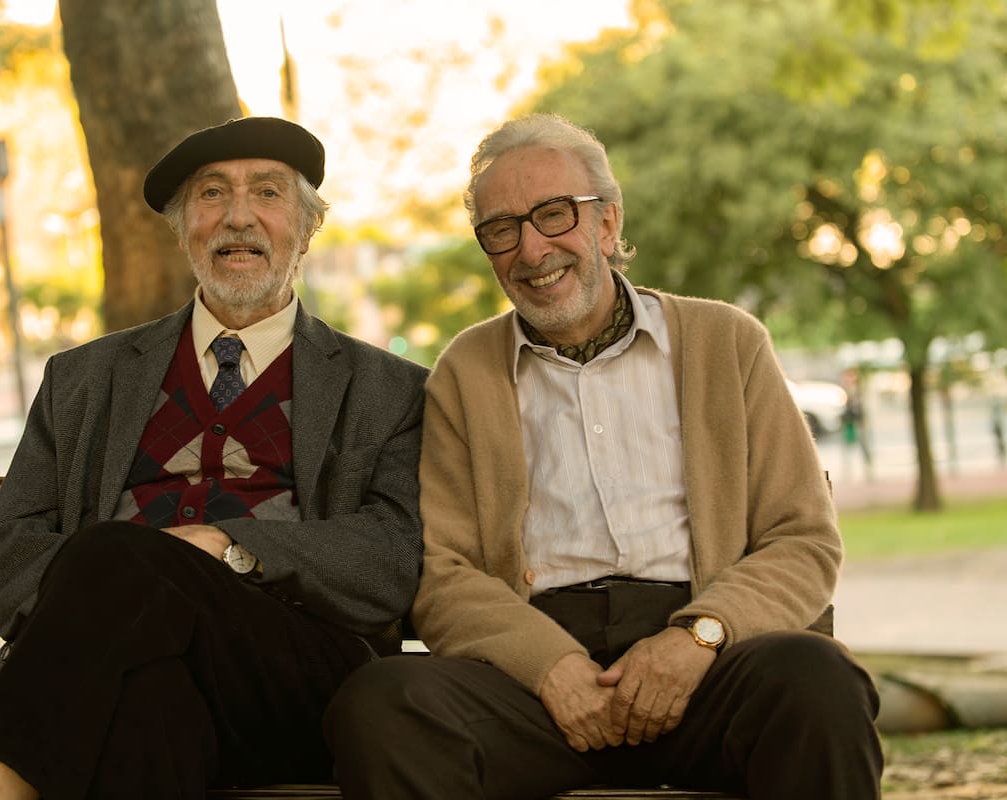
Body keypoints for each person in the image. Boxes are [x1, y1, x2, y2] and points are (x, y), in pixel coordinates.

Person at [325, 114, 882, 799]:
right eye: (501, 230)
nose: (532, 250)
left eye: (554, 214)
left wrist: (698, 638)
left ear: (608, 222)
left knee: (817, 680)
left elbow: (802, 540)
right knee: (385, 702)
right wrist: (550, 667)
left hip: (708, 664)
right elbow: (445, 572)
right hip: (534, 682)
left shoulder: (725, 342)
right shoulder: (466, 371)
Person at [0, 117, 428, 800]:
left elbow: (392, 558)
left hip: (294, 680)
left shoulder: (389, 389)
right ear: (183, 229)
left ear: (306, 229)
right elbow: (2, 552)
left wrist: (225, 547)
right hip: (125, 682)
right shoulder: (82, 379)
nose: (238, 217)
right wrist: (114, 601)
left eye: (267, 193)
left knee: (117, 553)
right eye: (212, 194)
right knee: (148, 692)